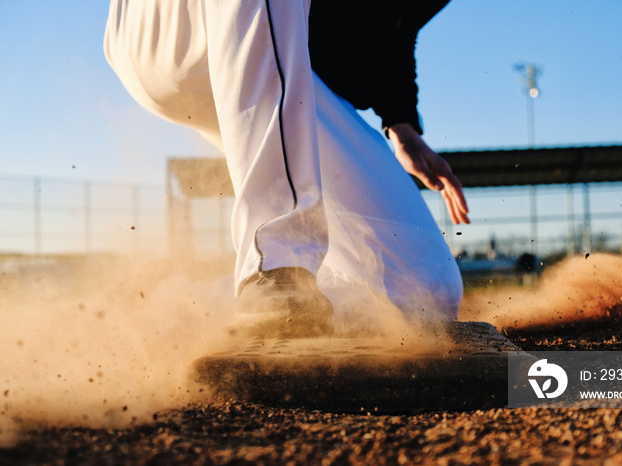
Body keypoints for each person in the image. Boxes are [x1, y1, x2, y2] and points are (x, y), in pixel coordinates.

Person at [104, 0, 469, 338]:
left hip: (271, 59)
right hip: (174, 22)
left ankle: (176, 311)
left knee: (423, 291)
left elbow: (395, 25)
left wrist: (401, 122)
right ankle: (276, 268)